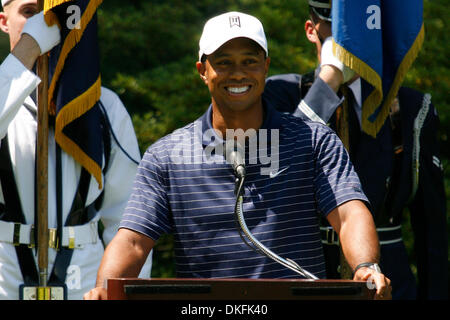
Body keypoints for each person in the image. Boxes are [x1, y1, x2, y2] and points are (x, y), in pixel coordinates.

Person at [84, 11, 392, 300]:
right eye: (224, 62)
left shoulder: (314, 140)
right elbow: (134, 241)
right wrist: (103, 289)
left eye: (250, 61)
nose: (238, 74)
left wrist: (367, 265)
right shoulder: (166, 156)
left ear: (266, 66)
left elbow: (350, 213)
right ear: (202, 71)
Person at [263, 0, 448, 300]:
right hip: (304, 275)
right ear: (312, 30)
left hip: (388, 282)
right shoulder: (280, 95)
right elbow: (276, 173)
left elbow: (432, 230)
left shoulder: (413, 108)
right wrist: (328, 83)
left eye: (357, 27)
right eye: (334, 24)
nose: (348, 37)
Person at [0, 0, 152, 299]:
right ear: (4, 21)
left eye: (53, 15)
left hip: (83, 284)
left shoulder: (104, 107)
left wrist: (123, 292)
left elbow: (128, 221)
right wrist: (28, 49)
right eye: (29, 12)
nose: (43, 24)